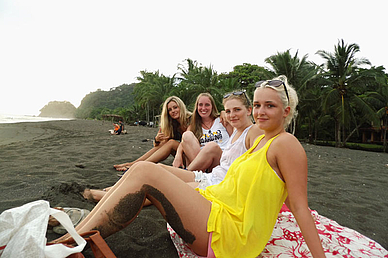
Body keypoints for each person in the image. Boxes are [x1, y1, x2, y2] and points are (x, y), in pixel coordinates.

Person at [54, 76, 325, 258]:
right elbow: (280, 195)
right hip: (216, 208)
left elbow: (299, 206)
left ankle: (69, 241)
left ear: (286, 111)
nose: (260, 111)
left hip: (230, 234)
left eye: (270, 106)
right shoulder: (260, 140)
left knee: (145, 173)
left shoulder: (286, 144)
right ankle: (71, 236)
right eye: (256, 105)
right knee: (141, 174)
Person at [83, 91, 263, 202]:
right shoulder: (197, 124)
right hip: (205, 169)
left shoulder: (232, 125)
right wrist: (177, 153)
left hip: (215, 172)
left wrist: (224, 113)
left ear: (248, 110)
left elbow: (262, 163)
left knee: (164, 187)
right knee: (156, 170)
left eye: (237, 110)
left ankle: (111, 196)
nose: (232, 115)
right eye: (229, 111)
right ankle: (115, 188)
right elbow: (182, 140)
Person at [114, 96, 191, 171]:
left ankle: (139, 166)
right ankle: (133, 164)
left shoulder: (191, 120)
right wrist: (157, 139)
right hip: (182, 156)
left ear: (181, 107)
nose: (173, 111)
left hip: (193, 157)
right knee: (164, 142)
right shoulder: (171, 124)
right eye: (170, 110)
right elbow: (157, 145)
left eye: (175, 107)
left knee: (171, 143)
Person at [172, 92, 233, 170]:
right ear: (197, 107)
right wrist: (178, 156)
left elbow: (234, 139)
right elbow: (183, 141)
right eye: (200, 105)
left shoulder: (222, 120)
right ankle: (200, 173)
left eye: (207, 105)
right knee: (187, 135)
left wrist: (225, 113)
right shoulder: (194, 125)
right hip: (204, 163)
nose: (203, 108)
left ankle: (188, 172)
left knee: (212, 146)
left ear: (212, 106)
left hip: (221, 160)